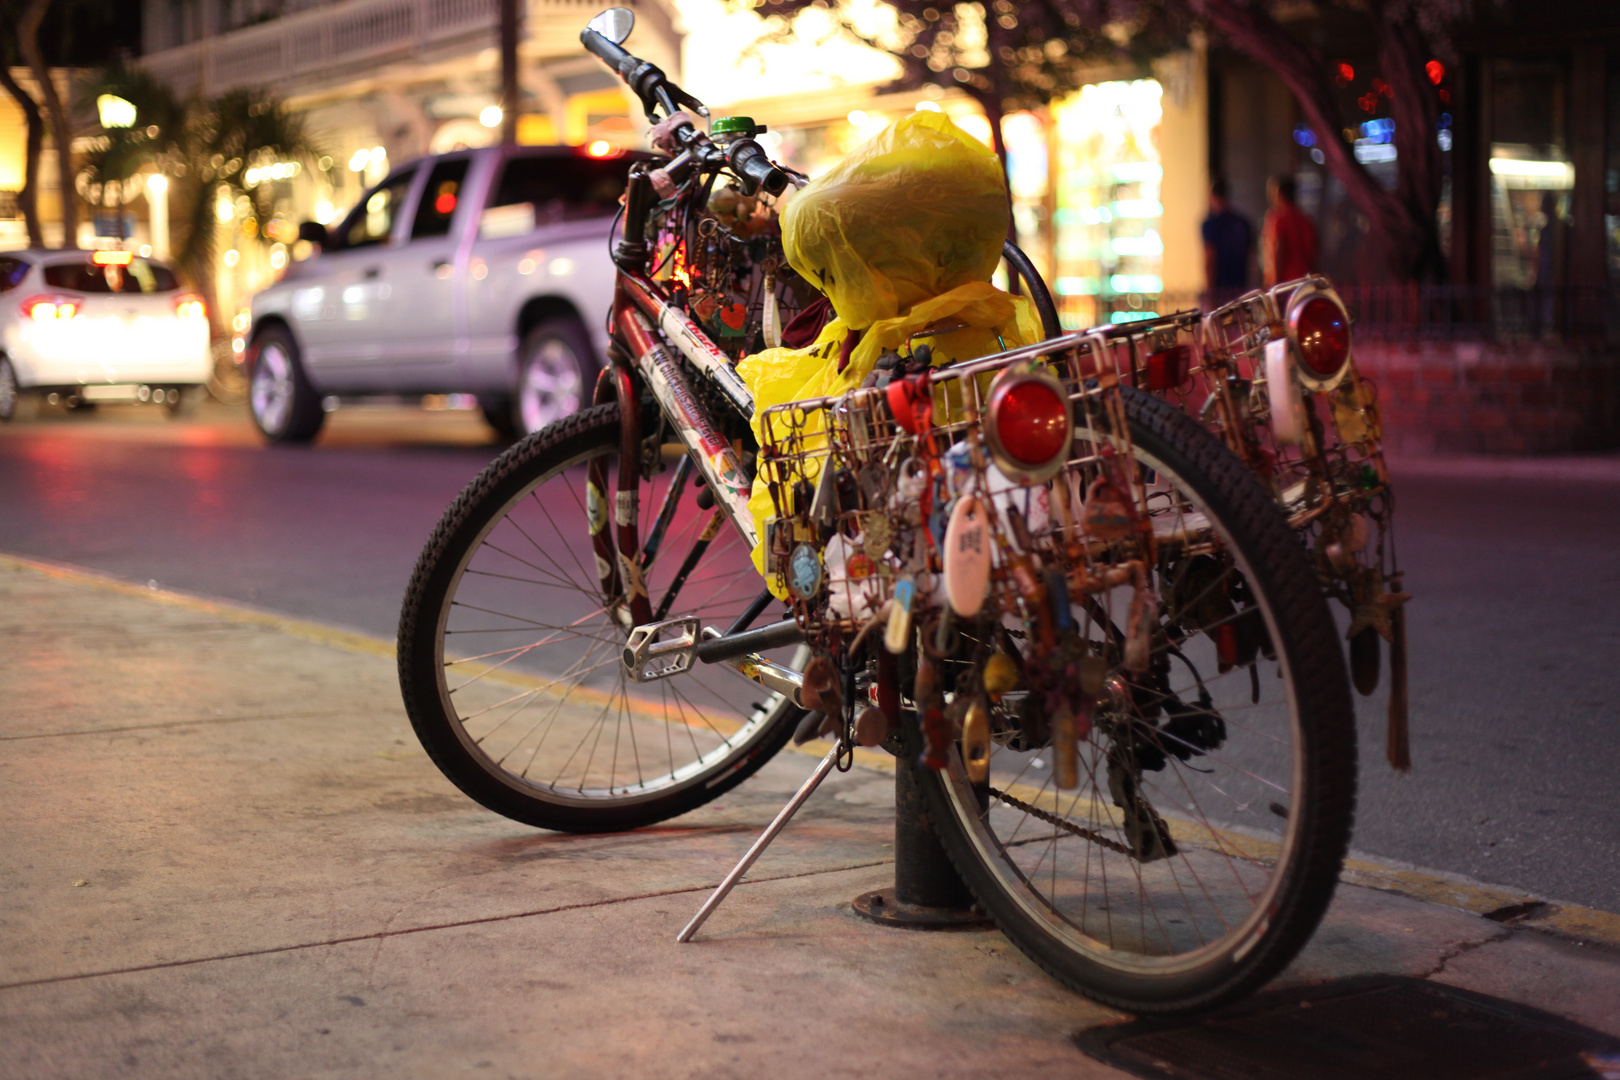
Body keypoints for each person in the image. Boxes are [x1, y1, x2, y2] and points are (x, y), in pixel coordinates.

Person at [1201, 178, 1252, 303]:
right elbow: (1250, 256)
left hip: (1219, 291)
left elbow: (1210, 257)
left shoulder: (1210, 224)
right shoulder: (1242, 222)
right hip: (1240, 287)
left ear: (1211, 196)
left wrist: (1210, 290)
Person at [1261, 174, 1318, 286]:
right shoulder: (1306, 220)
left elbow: (1279, 249)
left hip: (1283, 285)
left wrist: (1275, 282)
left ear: (1279, 194)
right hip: (1303, 281)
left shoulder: (1278, 219)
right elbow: (1312, 251)